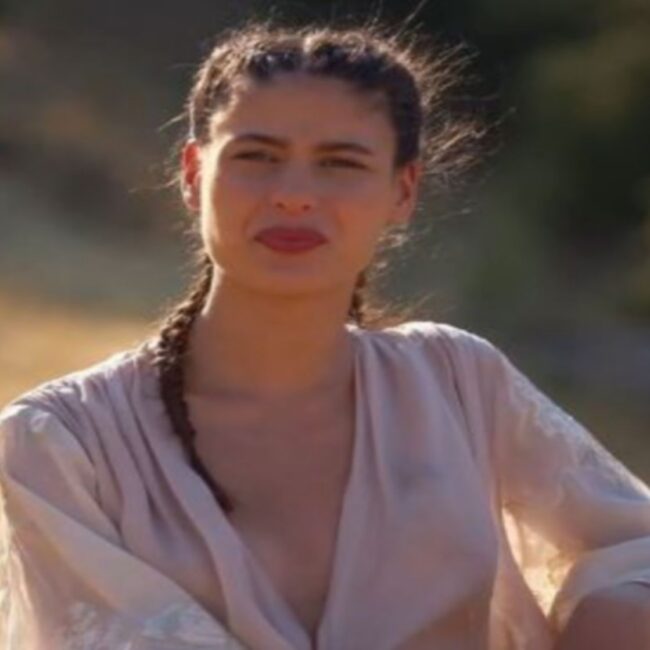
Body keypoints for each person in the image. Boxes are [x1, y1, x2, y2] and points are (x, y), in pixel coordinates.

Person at [0, 21, 649, 650]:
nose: (294, 195)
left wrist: (615, 620)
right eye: (257, 156)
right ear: (194, 174)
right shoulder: (60, 443)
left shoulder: (456, 383)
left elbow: (636, 550)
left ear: (403, 191)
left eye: (340, 163)